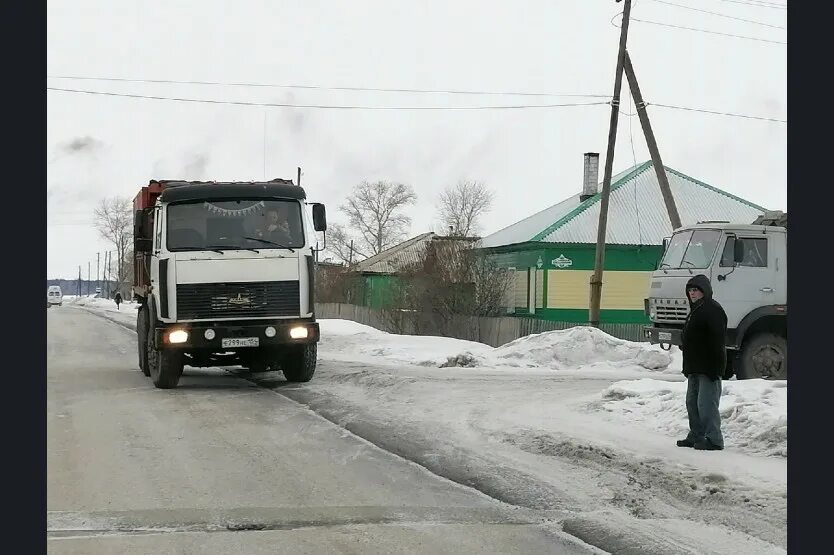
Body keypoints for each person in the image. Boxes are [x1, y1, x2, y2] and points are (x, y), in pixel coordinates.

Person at [677, 274, 727, 451]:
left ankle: (714, 439)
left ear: (704, 291)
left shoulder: (712, 309)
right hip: (694, 367)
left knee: (706, 404)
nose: (692, 293)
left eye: (696, 290)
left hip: (708, 367)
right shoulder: (695, 310)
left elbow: (717, 340)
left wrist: (716, 367)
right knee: (692, 403)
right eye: (690, 290)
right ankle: (696, 435)